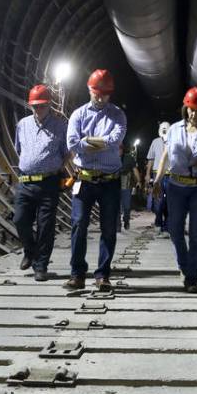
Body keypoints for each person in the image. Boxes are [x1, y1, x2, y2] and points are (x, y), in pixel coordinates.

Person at [153, 87, 197, 292]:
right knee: (174, 229)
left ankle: (191, 278)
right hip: (176, 186)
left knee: (196, 233)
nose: (194, 114)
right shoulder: (174, 129)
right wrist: (157, 180)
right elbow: (165, 155)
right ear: (186, 108)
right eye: (191, 109)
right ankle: (184, 265)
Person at [65, 69, 127, 290]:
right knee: (78, 224)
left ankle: (102, 275)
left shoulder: (118, 115)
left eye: (104, 94)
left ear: (110, 93)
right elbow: (72, 143)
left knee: (109, 228)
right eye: (96, 93)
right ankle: (77, 274)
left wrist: (87, 141)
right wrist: (100, 141)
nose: (100, 97)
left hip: (110, 180)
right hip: (84, 178)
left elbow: (115, 140)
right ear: (89, 90)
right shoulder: (78, 114)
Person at [13, 84, 69, 281]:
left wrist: (55, 168)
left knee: (46, 226)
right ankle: (29, 251)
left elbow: (67, 153)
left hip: (48, 183)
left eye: (42, 106)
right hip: (25, 182)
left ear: (49, 105)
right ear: (30, 106)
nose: (38, 109)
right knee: (20, 220)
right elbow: (19, 149)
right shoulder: (22, 124)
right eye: (35, 106)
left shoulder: (60, 126)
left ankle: (41, 266)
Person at [146, 122, 170, 234]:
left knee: (169, 201)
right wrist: (147, 174)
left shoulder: (174, 141)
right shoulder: (155, 142)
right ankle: (158, 222)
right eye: (162, 128)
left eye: (166, 128)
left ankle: (167, 225)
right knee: (158, 201)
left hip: (171, 175)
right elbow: (150, 159)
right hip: (157, 175)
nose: (164, 130)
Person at [119, 143, 141, 231]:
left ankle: (126, 220)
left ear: (122, 149)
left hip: (126, 185)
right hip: (114, 184)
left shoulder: (129, 158)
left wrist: (139, 181)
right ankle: (117, 225)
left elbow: (135, 170)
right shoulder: (112, 158)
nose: (118, 151)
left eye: (119, 149)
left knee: (127, 206)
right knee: (116, 206)